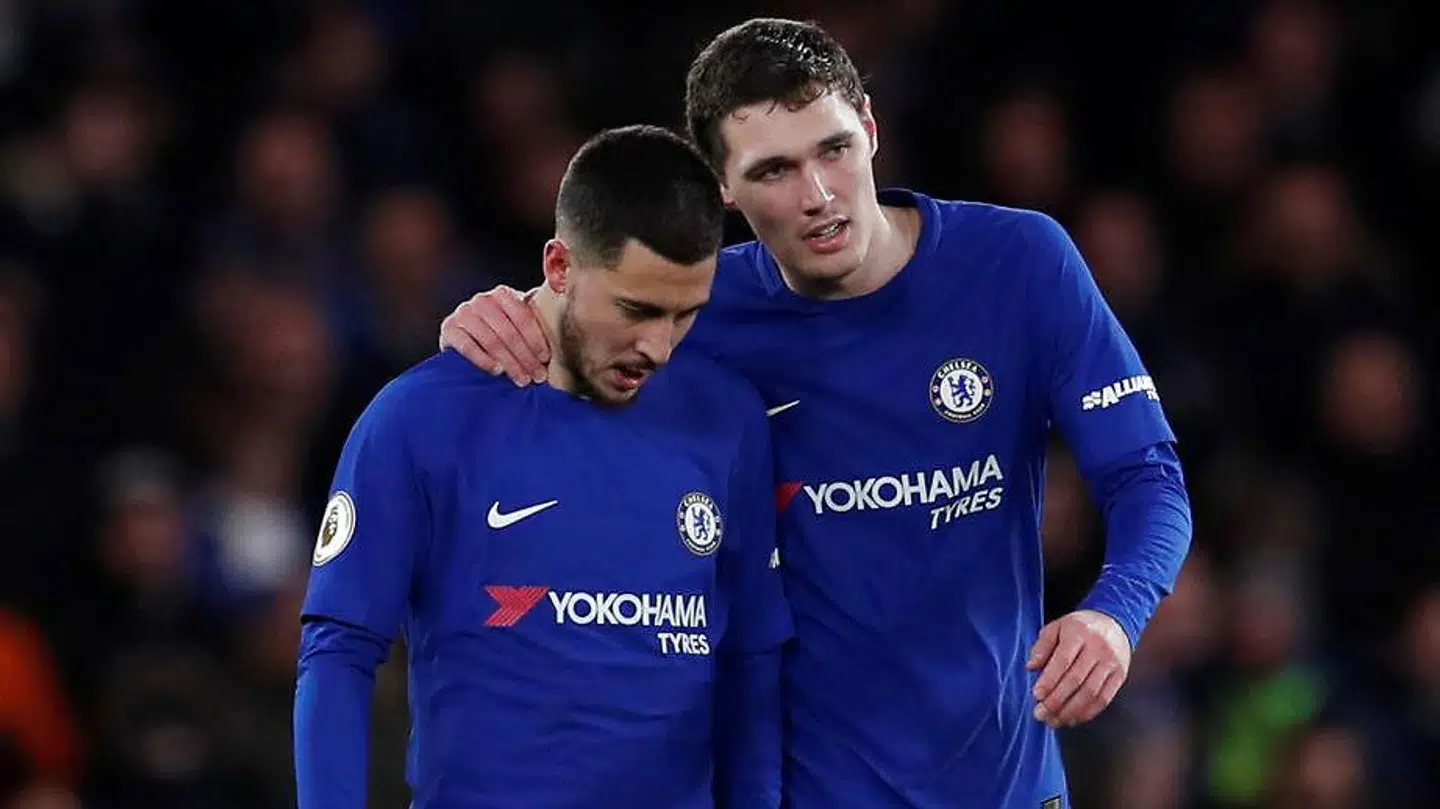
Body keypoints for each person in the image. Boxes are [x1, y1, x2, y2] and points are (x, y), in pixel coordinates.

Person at [438, 18, 1193, 809]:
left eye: (833, 149)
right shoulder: (695, 312)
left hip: (1005, 783)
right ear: (721, 186)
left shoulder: (1020, 263)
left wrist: (1114, 614)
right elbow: (534, 336)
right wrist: (486, 323)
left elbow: (1147, 477)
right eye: (774, 170)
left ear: (870, 127)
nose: (819, 196)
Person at [294, 124, 792, 809]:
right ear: (559, 267)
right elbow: (340, 650)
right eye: (637, 309)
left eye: (685, 315)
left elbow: (752, 657)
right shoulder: (421, 419)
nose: (659, 346)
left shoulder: (726, 418)